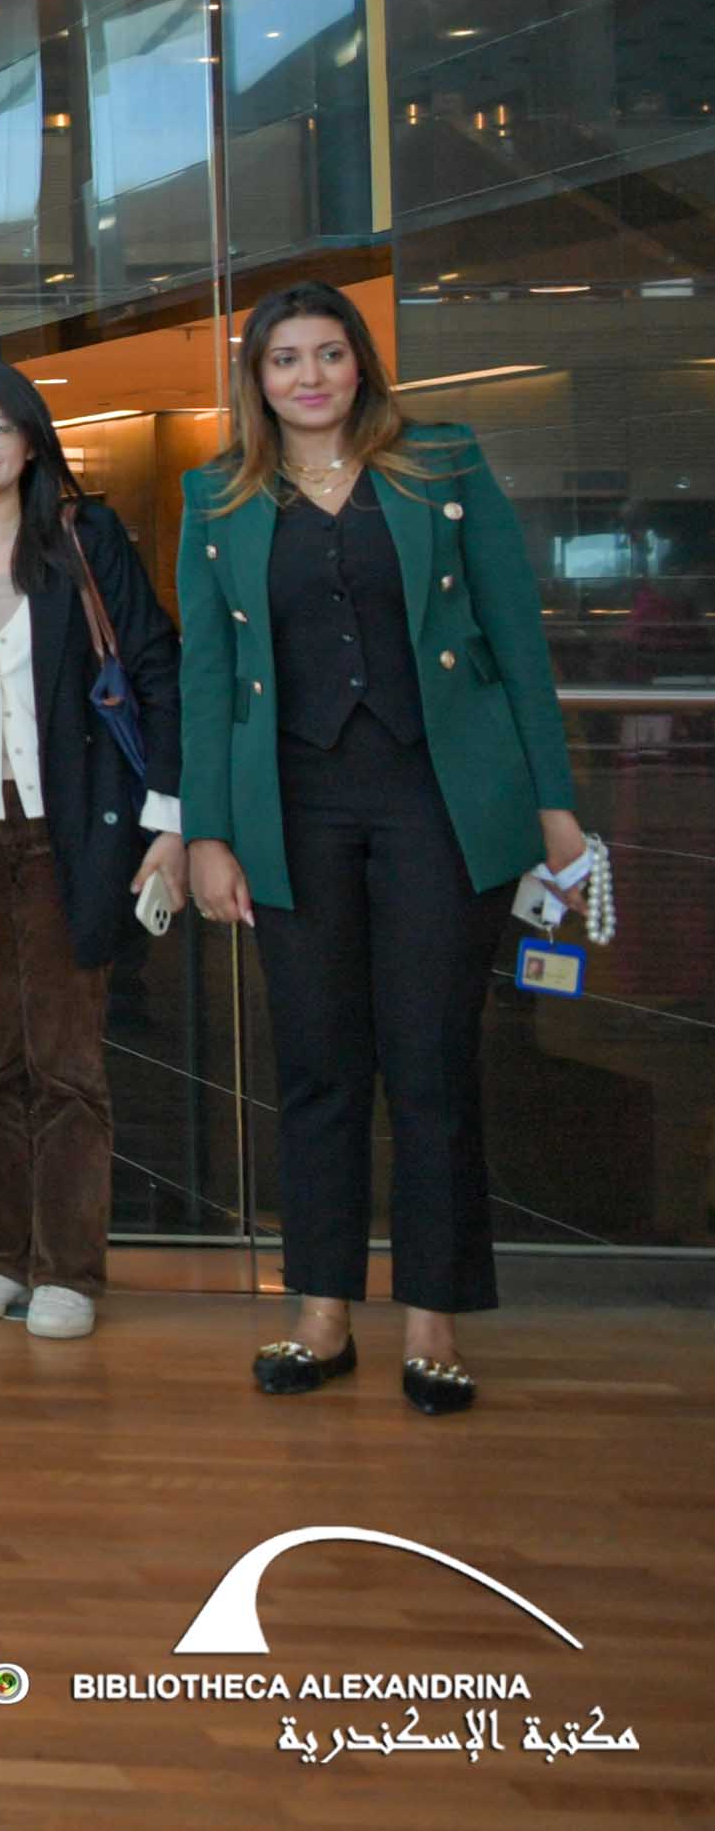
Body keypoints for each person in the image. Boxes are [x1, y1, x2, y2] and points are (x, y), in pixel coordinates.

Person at [178, 284, 585, 1417]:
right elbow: (207, 676)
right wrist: (205, 831)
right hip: (291, 807)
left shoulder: (441, 463)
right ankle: (320, 1310)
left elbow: (516, 639)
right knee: (316, 1064)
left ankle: (432, 1317)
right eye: (284, 360)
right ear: (257, 379)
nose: (308, 377)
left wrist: (554, 803)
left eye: (328, 354)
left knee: (431, 1063)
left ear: (360, 364)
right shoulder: (216, 494)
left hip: (439, 800)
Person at [0, 358, 183, 1344]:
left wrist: (169, 821)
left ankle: (65, 1265)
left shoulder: (83, 536)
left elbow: (157, 670)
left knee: (65, 1058)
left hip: (76, 831)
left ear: (30, 440)